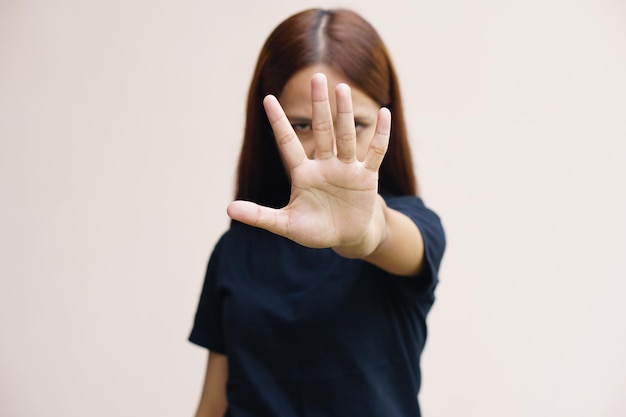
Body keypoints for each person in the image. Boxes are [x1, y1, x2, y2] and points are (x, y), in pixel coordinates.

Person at [189, 8, 446, 417]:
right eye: (302, 125)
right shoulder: (235, 250)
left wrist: (363, 232)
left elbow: (384, 235)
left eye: (354, 124)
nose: (321, 150)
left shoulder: (413, 227)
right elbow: (212, 404)